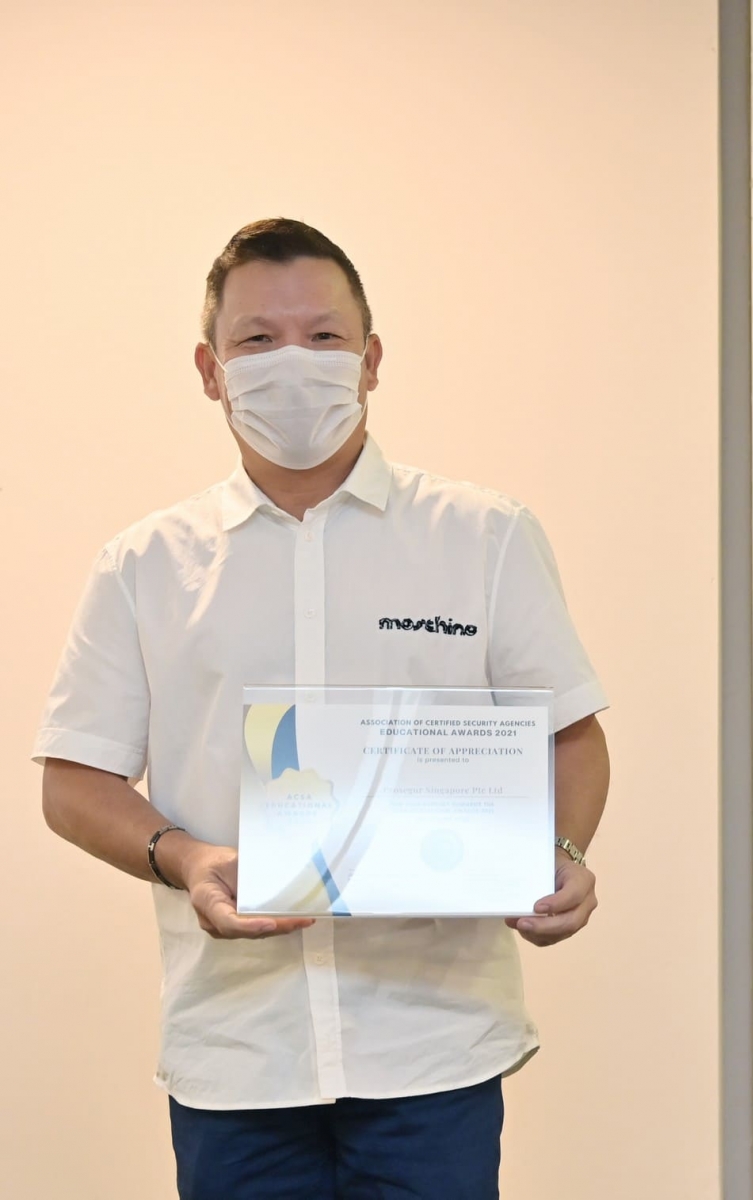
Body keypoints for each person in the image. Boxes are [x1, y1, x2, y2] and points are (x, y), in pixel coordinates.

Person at [35, 218, 612, 1199]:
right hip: (237, 1050)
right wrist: (188, 859)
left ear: (371, 359)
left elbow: (572, 734)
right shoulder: (146, 566)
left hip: (435, 1044)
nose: (292, 362)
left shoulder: (482, 536)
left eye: (324, 336)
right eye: (258, 340)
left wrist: (559, 854)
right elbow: (74, 782)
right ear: (211, 370)